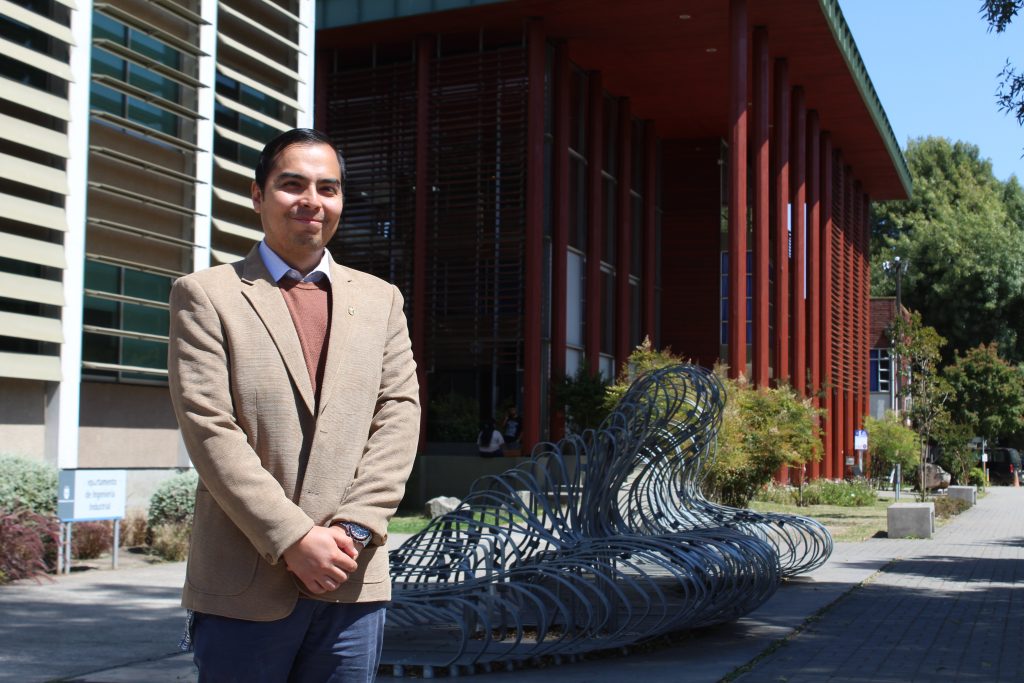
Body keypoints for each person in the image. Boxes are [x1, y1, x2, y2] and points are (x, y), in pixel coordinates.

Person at [167, 127, 420, 682]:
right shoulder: (206, 295)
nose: (312, 200)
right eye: (293, 185)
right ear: (258, 196)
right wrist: (295, 539)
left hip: (352, 579)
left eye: (328, 188)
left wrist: (353, 530)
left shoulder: (381, 300)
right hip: (244, 586)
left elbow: (399, 416)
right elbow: (210, 429)